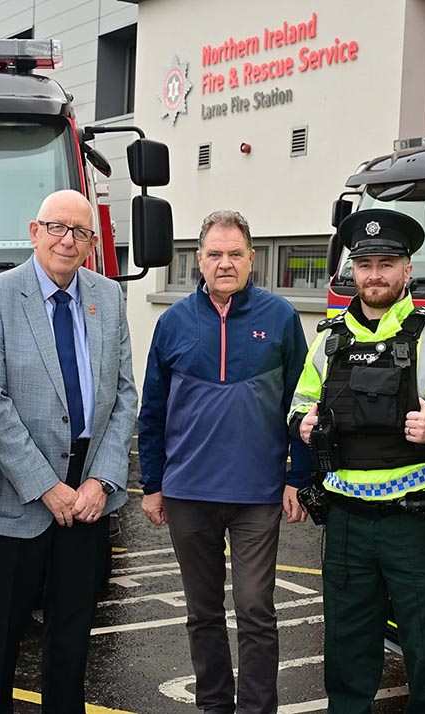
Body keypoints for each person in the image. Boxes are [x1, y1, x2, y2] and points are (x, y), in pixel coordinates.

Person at [289, 208, 425, 714]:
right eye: (366, 263)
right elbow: (297, 403)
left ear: (407, 271)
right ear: (354, 269)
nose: (375, 274)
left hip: (412, 518)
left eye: (387, 263)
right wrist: (302, 425)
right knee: (348, 648)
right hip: (346, 521)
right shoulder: (328, 340)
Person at [0, 190, 136, 713]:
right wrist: (44, 484)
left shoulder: (107, 296)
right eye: (57, 228)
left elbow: (125, 393)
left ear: (91, 242)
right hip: (17, 496)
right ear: (34, 230)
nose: (68, 240)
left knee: (73, 634)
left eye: (80, 232)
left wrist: (101, 479)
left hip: (88, 492)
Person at [138, 209, 312, 714]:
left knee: (256, 609)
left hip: (257, 495)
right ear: (199, 261)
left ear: (252, 259)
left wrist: (296, 478)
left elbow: (300, 406)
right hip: (188, 493)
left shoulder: (280, 318)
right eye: (214, 254)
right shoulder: (172, 323)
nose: (225, 263)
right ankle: (214, 706)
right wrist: (151, 483)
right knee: (203, 611)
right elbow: (152, 411)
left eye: (235, 253)